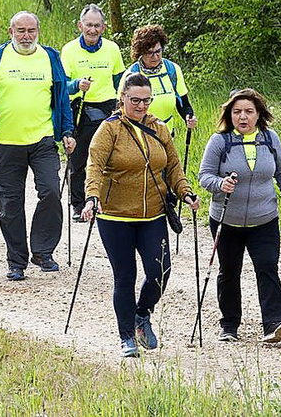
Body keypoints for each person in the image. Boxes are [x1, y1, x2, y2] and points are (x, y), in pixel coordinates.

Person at [80, 73, 200, 357]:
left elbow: (172, 166)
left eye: (146, 100)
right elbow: (94, 166)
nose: (141, 106)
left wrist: (185, 191)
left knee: (161, 270)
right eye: (135, 100)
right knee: (125, 276)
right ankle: (126, 337)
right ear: (122, 98)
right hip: (115, 215)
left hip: (152, 215)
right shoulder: (109, 130)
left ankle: (141, 316)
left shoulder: (158, 127)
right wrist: (91, 197)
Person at [0, 11, 76, 280]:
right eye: (21, 31)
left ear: (38, 31)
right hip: (6, 142)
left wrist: (67, 130)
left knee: (51, 191)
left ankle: (42, 251)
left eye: (31, 30)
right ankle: (16, 261)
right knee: (10, 204)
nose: (26, 36)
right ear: (11, 32)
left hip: (42, 139)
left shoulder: (50, 57)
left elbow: (61, 97)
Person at [198, 88, 281, 343]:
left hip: (264, 219)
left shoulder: (269, 138)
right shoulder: (220, 141)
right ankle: (229, 325)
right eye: (237, 112)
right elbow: (204, 176)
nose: (243, 117)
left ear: (258, 114)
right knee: (229, 270)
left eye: (248, 112)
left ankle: (274, 323)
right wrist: (220, 184)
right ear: (229, 115)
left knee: (266, 266)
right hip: (226, 219)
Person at [60, 4, 126, 222]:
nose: (93, 30)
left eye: (97, 25)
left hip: (108, 108)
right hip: (80, 108)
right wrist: (77, 85)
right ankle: (78, 205)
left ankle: (106, 203)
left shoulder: (112, 49)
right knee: (79, 160)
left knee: (110, 159)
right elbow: (62, 86)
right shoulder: (69, 50)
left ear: (103, 27)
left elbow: (121, 81)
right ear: (80, 25)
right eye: (89, 25)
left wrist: (123, 105)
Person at [119, 24, 197, 137]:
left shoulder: (172, 70)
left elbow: (184, 104)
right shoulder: (131, 74)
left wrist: (189, 117)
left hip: (167, 134)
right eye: (150, 53)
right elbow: (120, 108)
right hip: (140, 136)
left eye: (158, 51)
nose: (155, 57)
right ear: (140, 52)